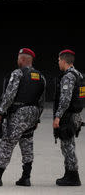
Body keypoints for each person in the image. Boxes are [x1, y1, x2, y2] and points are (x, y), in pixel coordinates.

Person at [0, 48, 45, 187]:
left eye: (18, 58)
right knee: (27, 144)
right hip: (32, 115)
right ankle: (26, 177)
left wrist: (0, 112)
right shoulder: (40, 76)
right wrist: (37, 118)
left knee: (7, 144)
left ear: (21, 59)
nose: (17, 60)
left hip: (17, 114)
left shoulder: (18, 73)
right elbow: (42, 101)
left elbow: (10, 95)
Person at [53, 49, 83, 186]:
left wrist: (58, 117)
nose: (58, 62)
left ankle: (73, 177)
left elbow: (65, 99)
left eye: (59, 60)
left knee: (68, 146)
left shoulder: (68, 77)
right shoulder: (79, 75)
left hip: (68, 116)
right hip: (75, 115)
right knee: (67, 145)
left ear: (64, 61)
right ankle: (69, 174)